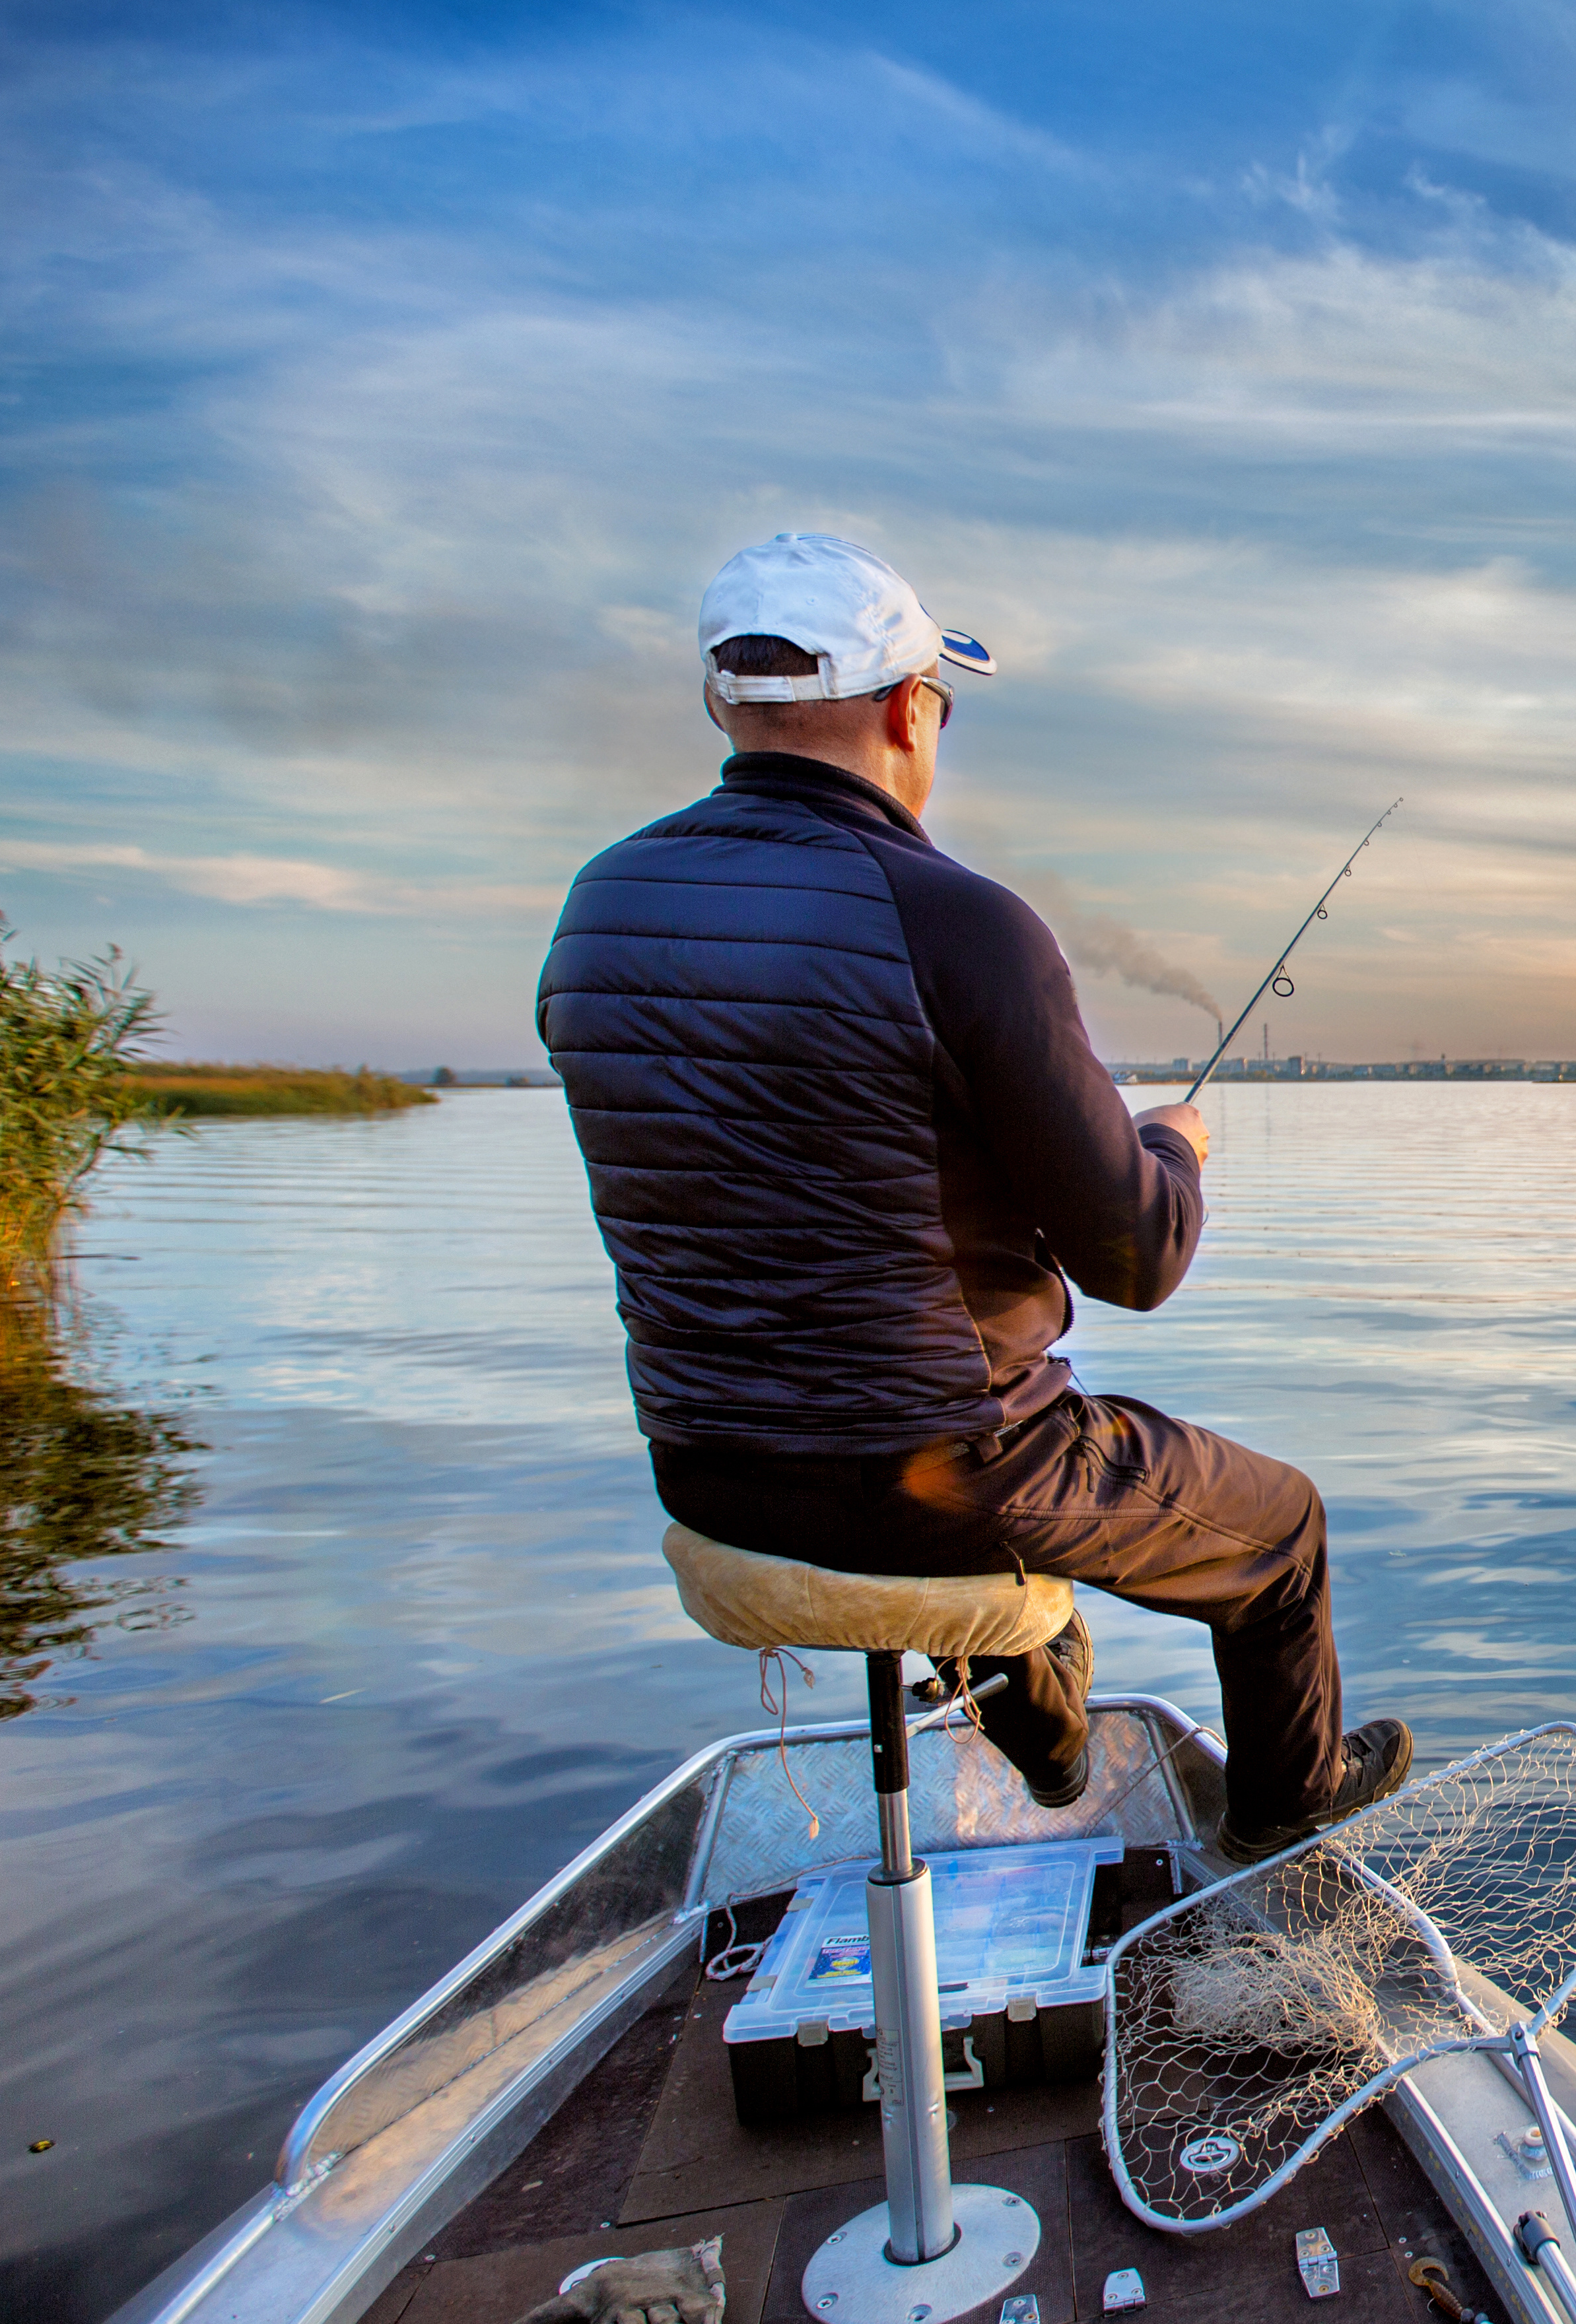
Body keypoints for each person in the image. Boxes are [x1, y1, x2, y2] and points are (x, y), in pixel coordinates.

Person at [537, 531, 1408, 1861]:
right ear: (907, 708)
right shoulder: (956, 921)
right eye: (941, 701)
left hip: (708, 1471)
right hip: (944, 1473)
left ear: (724, 704)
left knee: (1012, 1493)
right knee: (1279, 1528)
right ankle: (1287, 1819)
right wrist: (1172, 1148)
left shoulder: (598, 908)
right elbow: (1138, 1257)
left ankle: (1049, 1729)